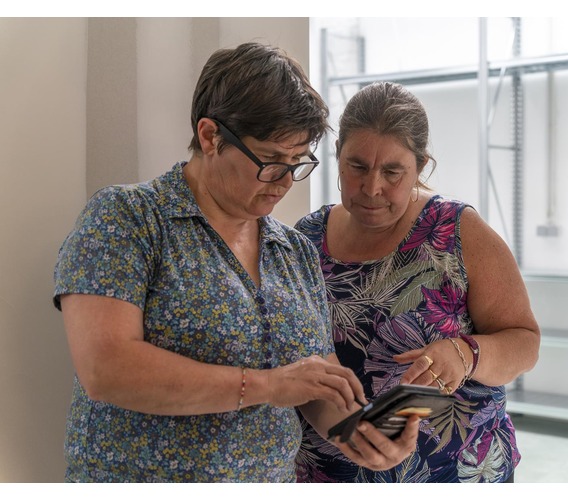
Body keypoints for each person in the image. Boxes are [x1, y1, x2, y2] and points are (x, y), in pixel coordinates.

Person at [52, 44, 419, 483]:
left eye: (297, 161)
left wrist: (359, 434)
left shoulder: (295, 251)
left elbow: (315, 391)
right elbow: (106, 369)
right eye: (270, 161)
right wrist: (268, 386)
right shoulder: (129, 218)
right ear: (210, 136)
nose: (284, 181)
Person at [294, 81, 540, 483]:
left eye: (393, 171)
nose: (372, 187)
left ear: (421, 167)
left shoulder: (459, 232)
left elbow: (524, 343)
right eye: (357, 166)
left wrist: (466, 354)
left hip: (455, 474)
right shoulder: (305, 240)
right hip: (331, 473)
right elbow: (297, 360)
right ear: (337, 157)